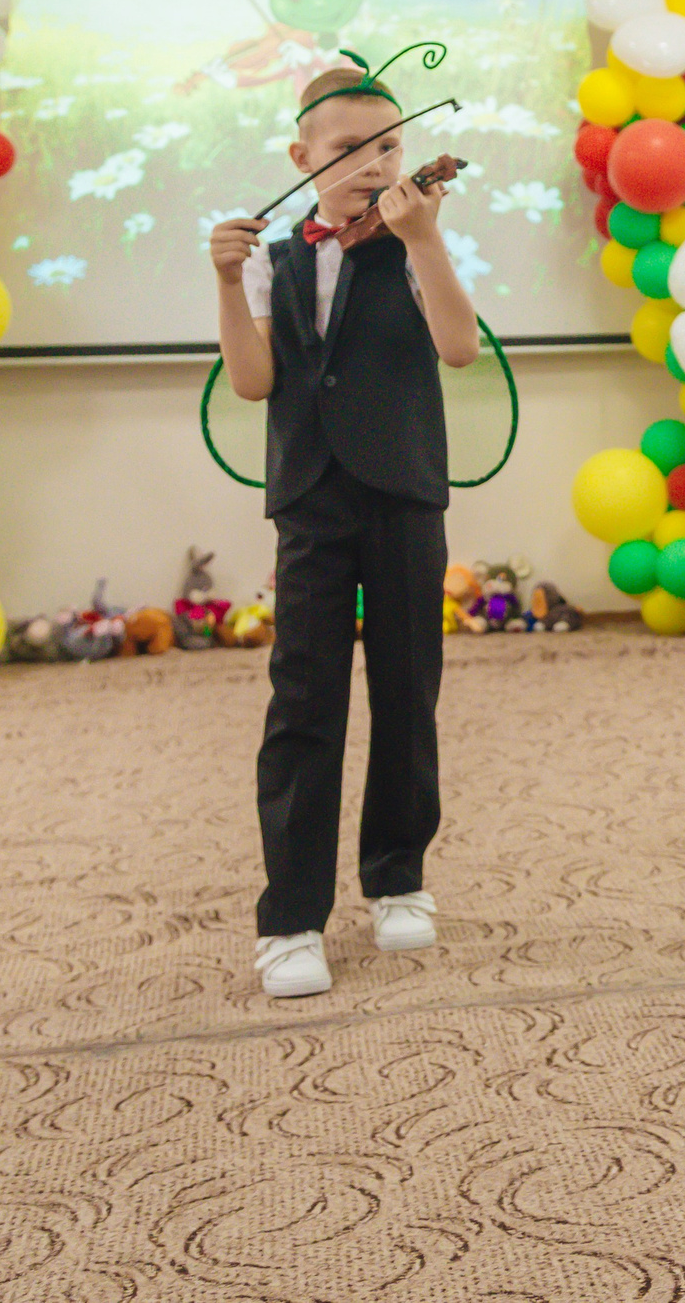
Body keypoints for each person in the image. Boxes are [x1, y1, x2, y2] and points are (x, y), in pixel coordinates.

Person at [208, 51, 483, 999]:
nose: (375, 163)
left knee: (409, 688)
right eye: (351, 146)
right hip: (312, 501)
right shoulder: (277, 262)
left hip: (405, 492)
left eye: (391, 144)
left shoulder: (417, 247)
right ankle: (290, 915)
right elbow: (253, 381)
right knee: (305, 700)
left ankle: (399, 875)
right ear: (303, 154)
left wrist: (426, 244)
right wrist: (224, 281)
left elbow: (458, 347)